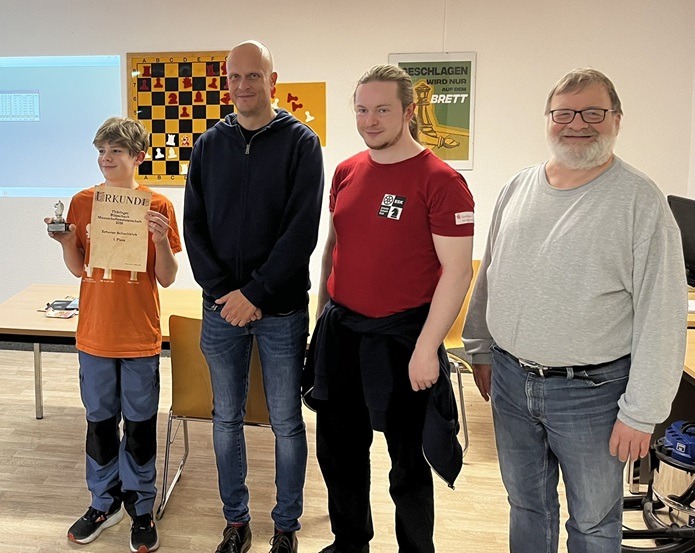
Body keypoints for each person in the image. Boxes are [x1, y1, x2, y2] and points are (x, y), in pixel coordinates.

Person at [463, 68, 688, 553]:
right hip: (510, 381)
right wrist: (479, 346)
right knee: (526, 506)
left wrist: (642, 412)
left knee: (593, 522)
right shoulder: (518, 186)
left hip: (593, 394)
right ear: (548, 119)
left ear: (617, 120)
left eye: (593, 113)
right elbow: (492, 272)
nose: (577, 124)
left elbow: (662, 316)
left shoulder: (640, 201)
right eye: (563, 113)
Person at [310, 64, 474, 553]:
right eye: (362, 109)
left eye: (382, 109)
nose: (370, 120)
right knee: (339, 452)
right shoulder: (346, 171)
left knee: (408, 461)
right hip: (342, 331)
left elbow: (457, 273)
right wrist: (321, 318)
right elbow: (333, 248)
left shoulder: (441, 181)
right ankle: (350, 543)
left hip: (404, 338)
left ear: (408, 111)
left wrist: (427, 348)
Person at [183, 40, 324, 553]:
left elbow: (301, 232)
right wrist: (226, 293)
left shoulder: (301, 143)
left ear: (272, 79)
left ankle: (285, 527)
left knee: (286, 421)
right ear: (227, 83)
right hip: (221, 308)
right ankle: (236, 523)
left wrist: (256, 293)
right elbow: (193, 227)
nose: (243, 86)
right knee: (226, 419)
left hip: (281, 310)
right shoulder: (207, 145)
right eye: (235, 77)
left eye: (253, 75)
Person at [46, 116, 181, 552]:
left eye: (116, 151)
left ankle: (140, 505)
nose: (106, 158)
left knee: (140, 425)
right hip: (95, 333)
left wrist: (160, 242)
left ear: (138, 157)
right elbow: (79, 268)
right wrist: (65, 243)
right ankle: (103, 503)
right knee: (100, 424)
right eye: (101, 151)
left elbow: (166, 278)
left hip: (139, 335)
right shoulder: (83, 202)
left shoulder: (158, 205)